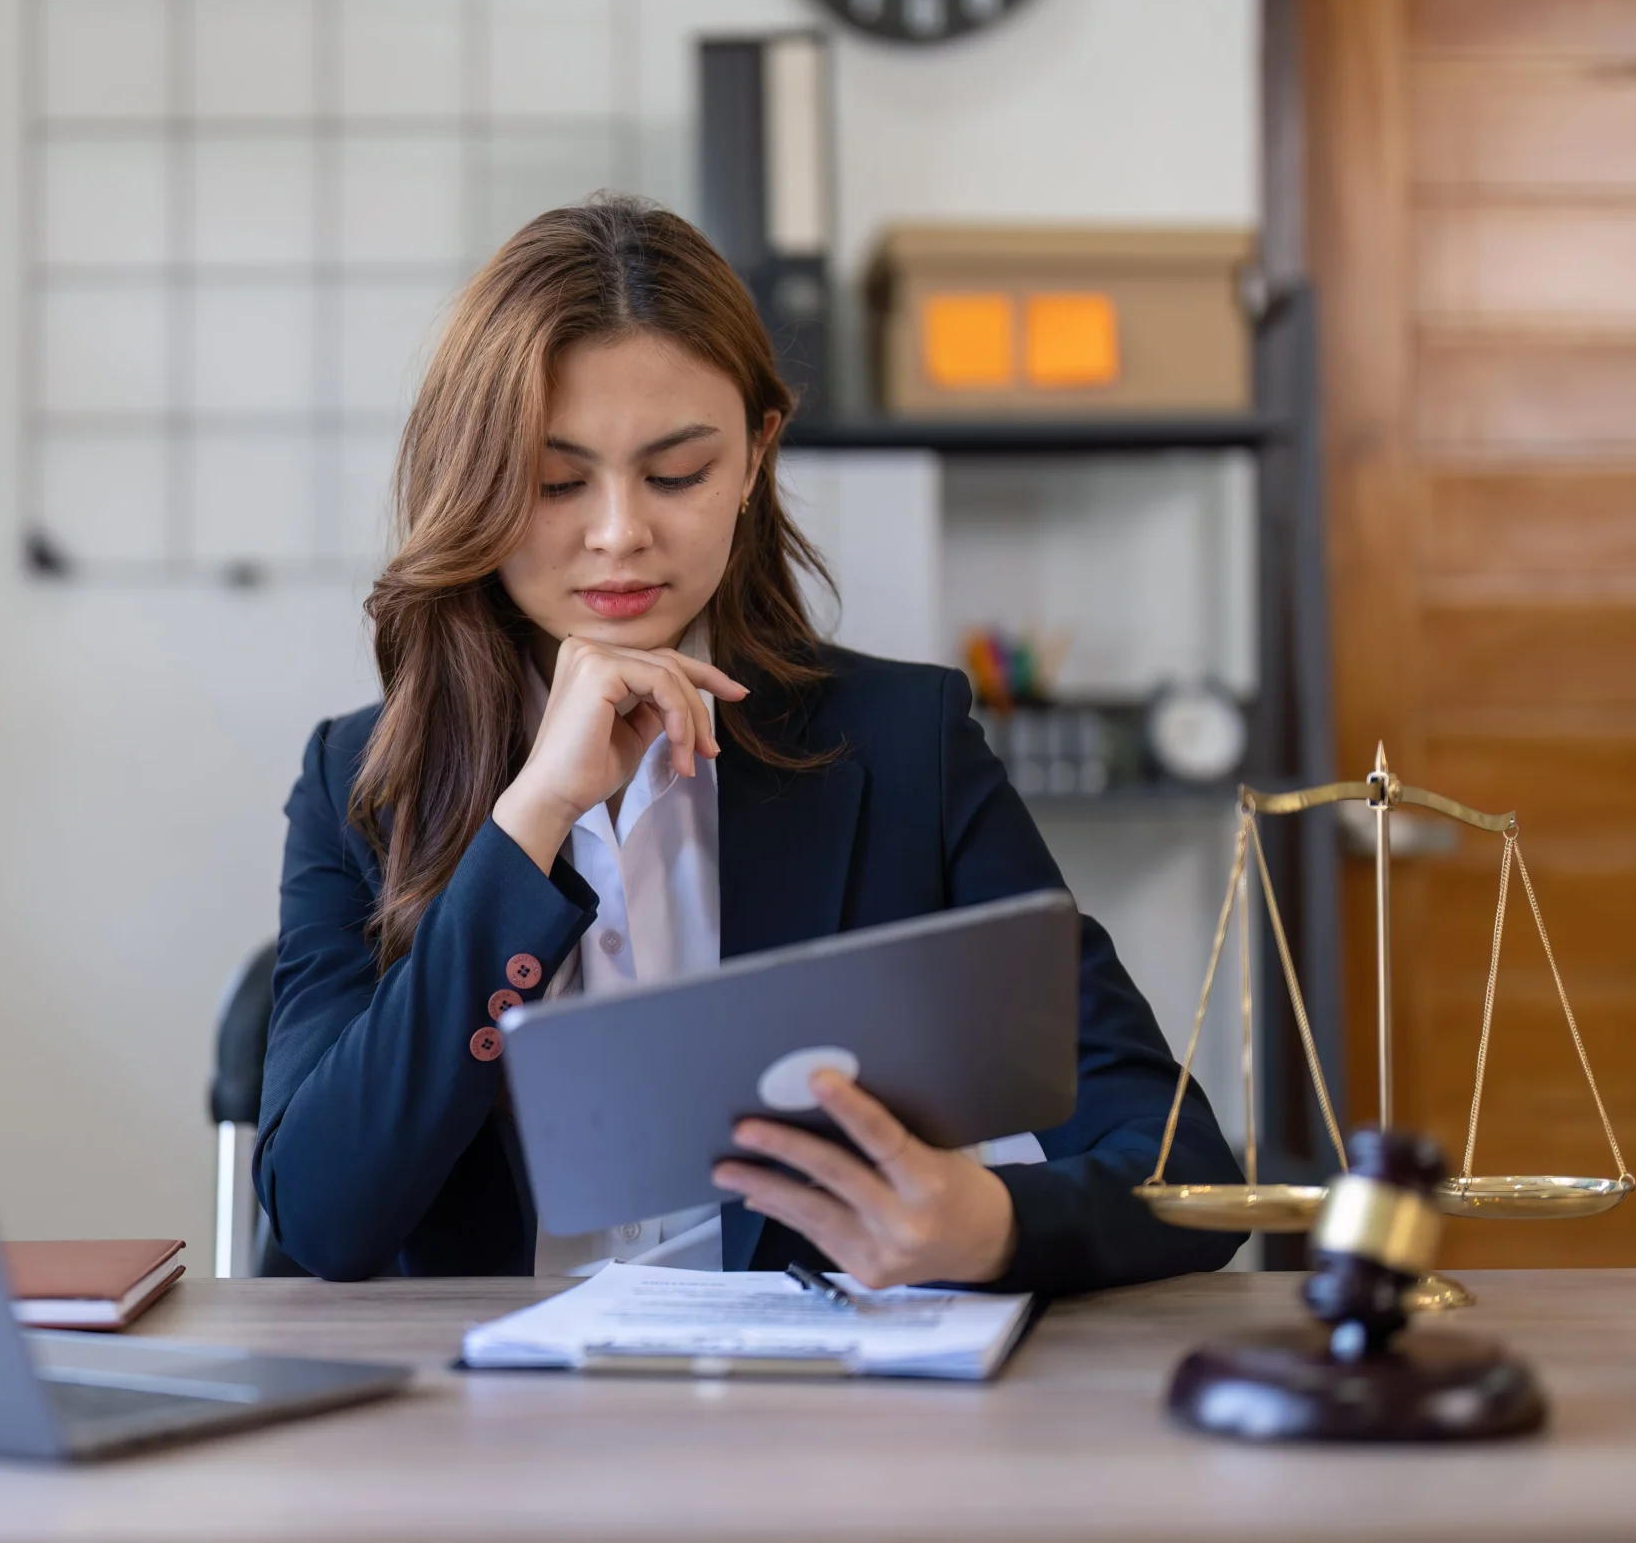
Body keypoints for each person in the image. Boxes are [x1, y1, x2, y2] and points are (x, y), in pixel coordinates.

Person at [256, 195, 1243, 1293]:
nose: (620, 531)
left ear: (756, 453)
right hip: (483, 1428)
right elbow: (323, 1219)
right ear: (477, 478)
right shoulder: (360, 779)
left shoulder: (899, 747)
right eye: (555, 482)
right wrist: (528, 819)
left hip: (798, 1418)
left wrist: (995, 1225)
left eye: (677, 472)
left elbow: (1185, 1172)